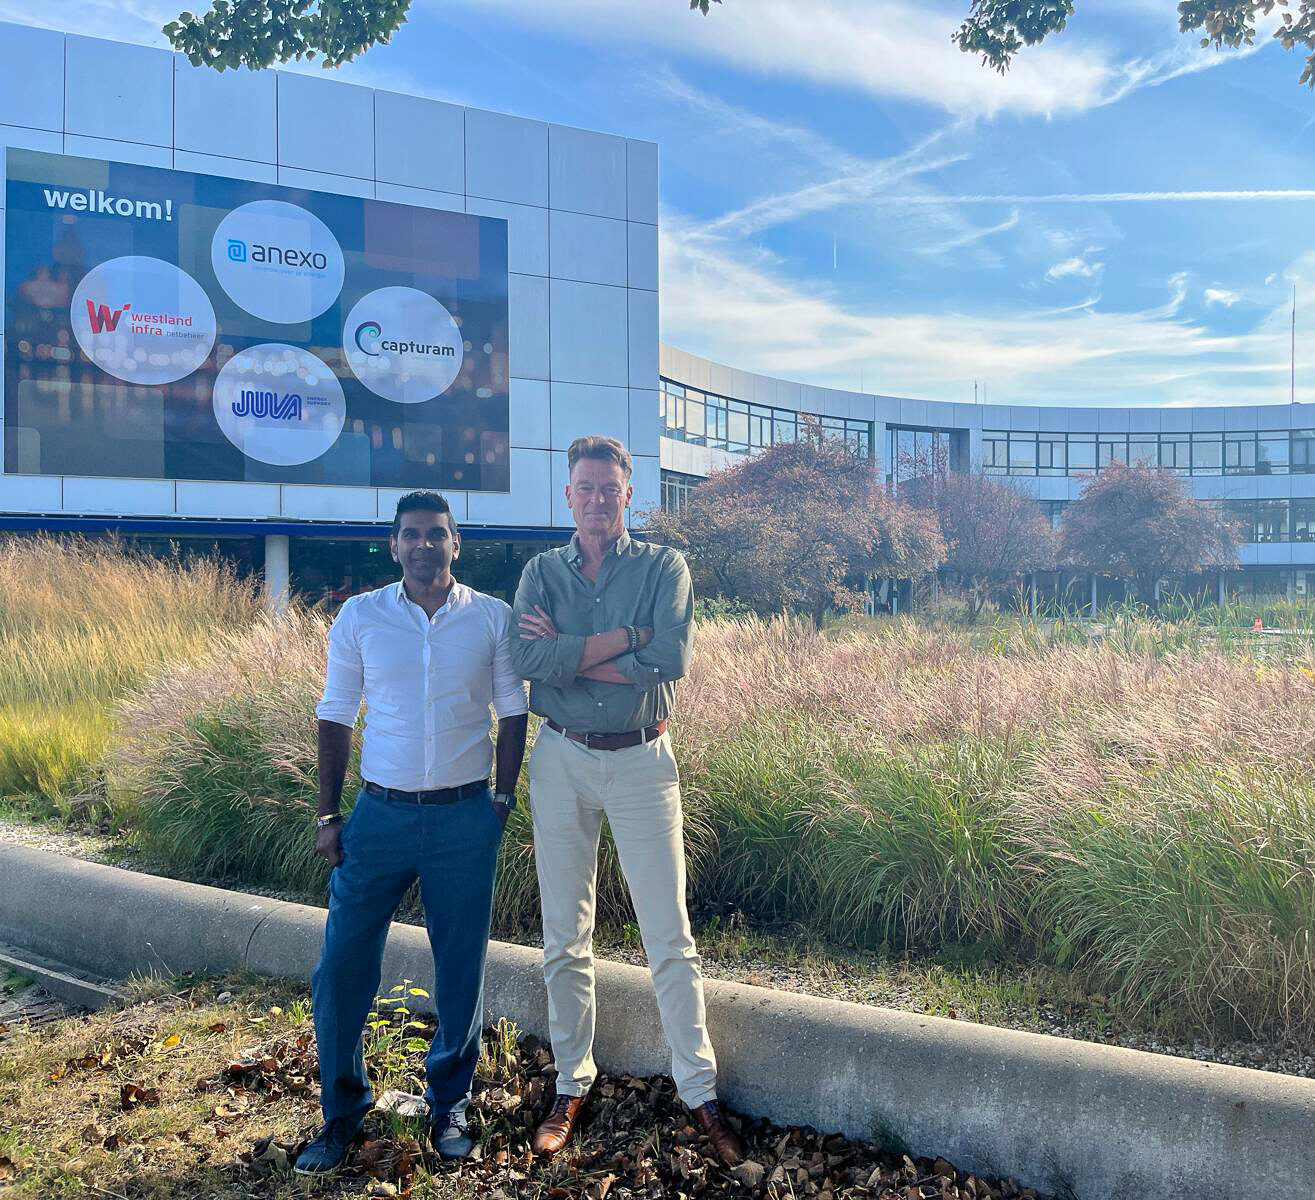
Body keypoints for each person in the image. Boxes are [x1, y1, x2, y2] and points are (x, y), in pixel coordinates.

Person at [510, 436, 745, 1167]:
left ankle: (699, 1090)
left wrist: (573, 654)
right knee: (563, 934)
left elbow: (668, 660)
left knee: (668, 935)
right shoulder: (541, 573)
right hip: (561, 758)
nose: (597, 499)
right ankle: (570, 1083)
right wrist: (625, 641)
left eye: (610, 488)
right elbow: (528, 661)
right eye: (585, 487)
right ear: (568, 495)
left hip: (643, 760)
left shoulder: (664, 567)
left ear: (628, 495)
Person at [295, 491, 529, 1173]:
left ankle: (449, 1101)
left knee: (460, 967)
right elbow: (337, 712)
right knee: (341, 966)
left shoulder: (491, 617)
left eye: (436, 533)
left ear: (456, 543)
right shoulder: (361, 616)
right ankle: (341, 1112)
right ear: (394, 545)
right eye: (411, 534)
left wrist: (500, 802)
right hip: (379, 816)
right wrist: (329, 814)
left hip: (464, 817)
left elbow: (513, 711)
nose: (424, 544)